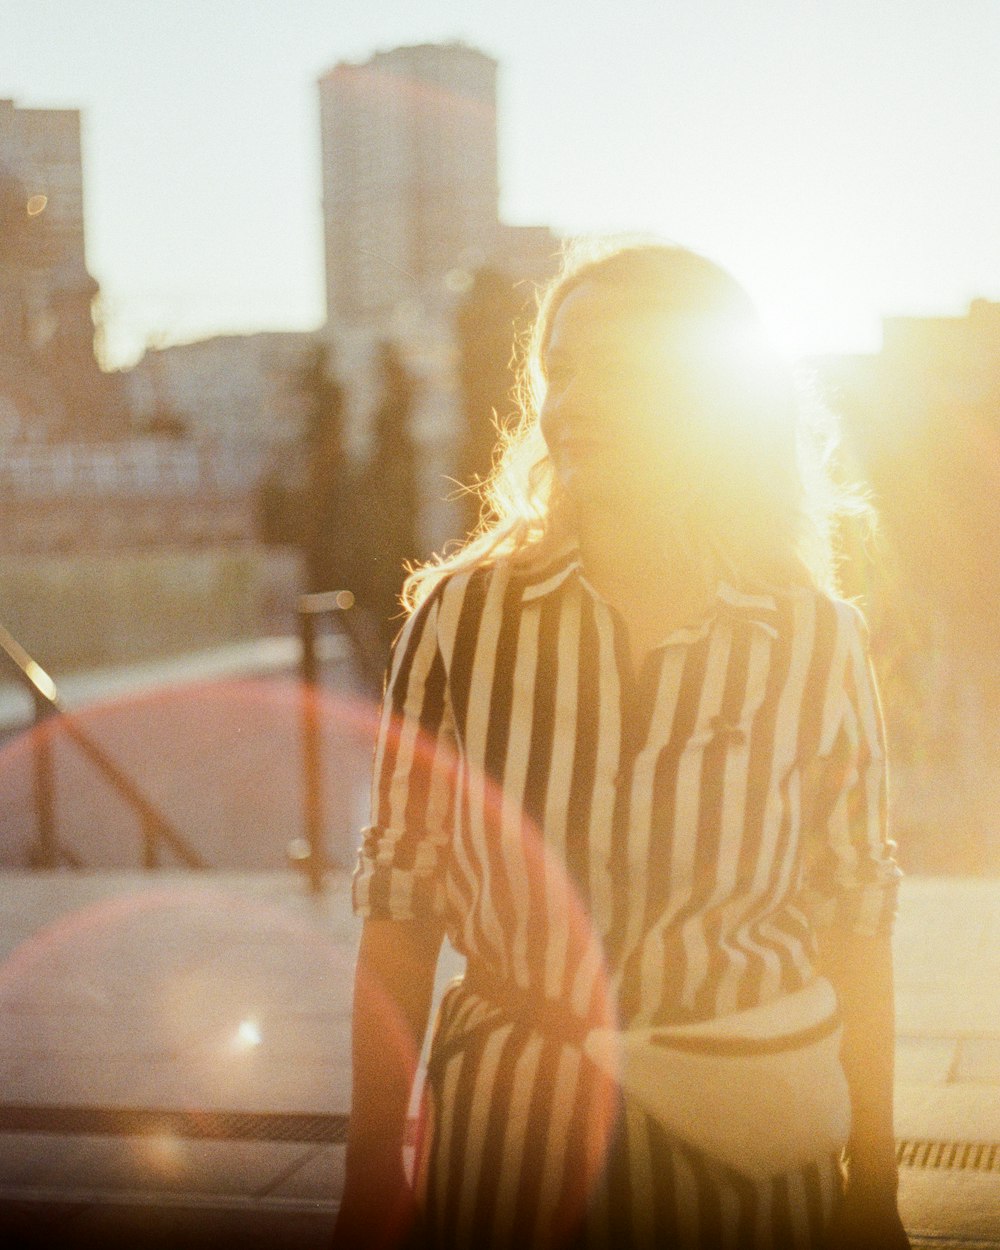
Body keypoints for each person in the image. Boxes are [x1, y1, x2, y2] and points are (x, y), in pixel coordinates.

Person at [333, 241, 909, 1249]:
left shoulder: (815, 639)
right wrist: (372, 1173)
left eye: (622, 368)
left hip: (752, 1171)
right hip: (512, 1153)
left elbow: (853, 918)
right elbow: (401, 910)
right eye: (562, 369)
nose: (575, 400)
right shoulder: (460, 623)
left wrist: (875, 1182)